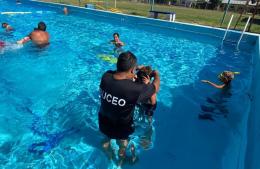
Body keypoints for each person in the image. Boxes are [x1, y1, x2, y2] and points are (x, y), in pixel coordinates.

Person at [98, 51, 160, 166]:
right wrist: (156, 74)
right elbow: (155, 87)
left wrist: (133, 69)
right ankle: (120, 160)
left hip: (103, 123)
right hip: (121, 128)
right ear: (132, 70)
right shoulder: (133, 90)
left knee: (106, 140)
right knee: (122, 144)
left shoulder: (106, 76)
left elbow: (118, 74)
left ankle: (109, 154)